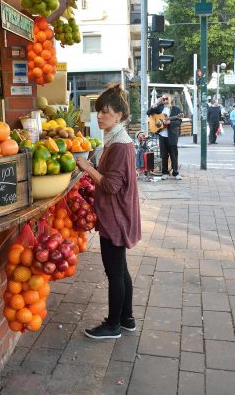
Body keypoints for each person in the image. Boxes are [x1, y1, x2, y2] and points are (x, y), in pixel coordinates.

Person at [76, 83, 141, 339]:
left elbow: (112, 185)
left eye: (105, 111)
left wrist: (86, 167)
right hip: (118, 214)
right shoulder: (115, 139)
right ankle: (127, 319)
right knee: (121, 270)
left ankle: (113, 325)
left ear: (119, 115)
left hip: (115, 217)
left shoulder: (120, 145)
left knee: (115, 273)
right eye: (98, 111)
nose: (100, 115)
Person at [146, 94, 182, 180]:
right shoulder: (159, 108)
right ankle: (164, 172)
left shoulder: (176, 109)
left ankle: (175, 173)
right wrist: (156, 102)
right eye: (163, 99)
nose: (165, 101)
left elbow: (179, 122)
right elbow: (148, 113)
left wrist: (170, 123)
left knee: (173, 154)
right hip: (162, 134)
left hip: (172, 135)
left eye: (167, 99)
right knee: (164, 155)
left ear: (171, 99)